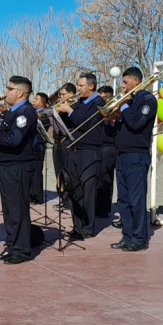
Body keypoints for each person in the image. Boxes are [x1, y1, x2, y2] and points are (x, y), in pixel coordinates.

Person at [0, 76, 39, 264]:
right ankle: (11, 245)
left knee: (18, 210)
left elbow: (15, 140)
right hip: (8, 165)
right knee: (8, 210)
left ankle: (22, 250)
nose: (5, 92)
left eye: (9, 89)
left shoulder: (25, 112)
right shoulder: (12, 112)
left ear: (20, 92)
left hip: (19, 166)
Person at [111, 67, 158, 252]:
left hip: (137, 155)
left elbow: (137, 124)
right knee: (123, 199)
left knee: (136, 200)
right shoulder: (130, 101)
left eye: (125, 82)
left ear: (136, 81)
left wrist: (123, 107)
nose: (123, 86)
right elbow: (124, 126)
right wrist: (114, 118)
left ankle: (139, 239)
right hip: (122, 154)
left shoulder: (147, 100)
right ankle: (127, 236)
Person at [55, 73, 105, 241]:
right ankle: (77, 226)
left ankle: (88, 227)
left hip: (90, 152)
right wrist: (59, 113)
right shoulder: (80, 103)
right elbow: (70, 123)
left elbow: (86, 122)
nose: (78, 89)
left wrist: (69, 110)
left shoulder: (99, 103)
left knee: (88, 190)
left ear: (91, 86)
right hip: (75, 150)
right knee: (75, 190)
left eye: (81, 85)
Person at [51, 83, 76, 210]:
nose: (60, 97)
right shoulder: (60, 106)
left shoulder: (75, 107)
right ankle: (63, 198)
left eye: (63, 94)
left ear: (71, 94)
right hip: (57, 142)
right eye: (60, 94)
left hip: (67, 143)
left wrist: (67, 110)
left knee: (67, 173)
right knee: (58, 172)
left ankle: (69, 200)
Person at [96, 85, 117, 219]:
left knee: (106, 178)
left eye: (102, 97)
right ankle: (97, 206)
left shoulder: (114, 109)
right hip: (98, 145)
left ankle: (104, 208)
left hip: (109, 146)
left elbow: (112, 128)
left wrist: (108, 117)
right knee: (97, 178)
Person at [29, 92, 51, 205]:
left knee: (37, 172)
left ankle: (37, 197)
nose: (34, 101)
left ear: (43, 102)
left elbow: (44, 127)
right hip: (30, 146)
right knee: (30, 172)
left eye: (37, 99)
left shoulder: (45, 114)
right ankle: (30, 194)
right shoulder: (33, 112)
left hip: (38, 146)